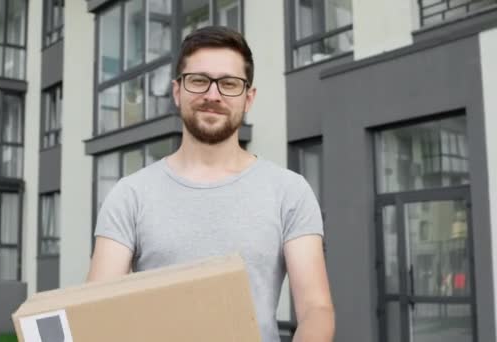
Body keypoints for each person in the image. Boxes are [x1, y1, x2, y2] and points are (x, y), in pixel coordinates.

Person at [87, 26, 335, 342]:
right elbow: (96, 310)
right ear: (177, 91)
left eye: (229, 84)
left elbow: (316, 309)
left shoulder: (289, 191)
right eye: (199, 81)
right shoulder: (130, 194)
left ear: (249, 98)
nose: (212, 95)